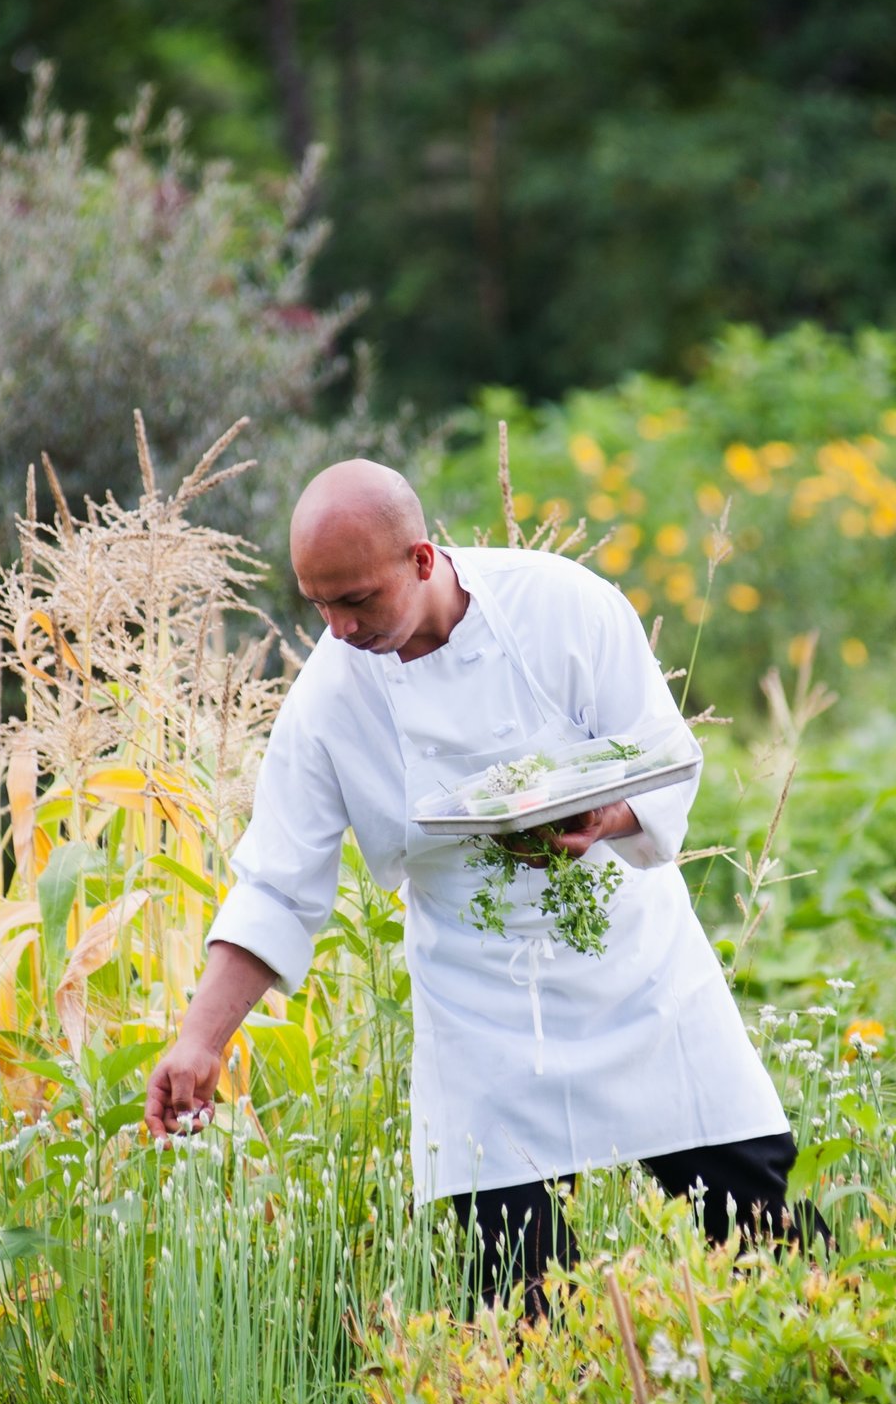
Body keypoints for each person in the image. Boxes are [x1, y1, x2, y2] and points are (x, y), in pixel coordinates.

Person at [143, 458, 803, 1311]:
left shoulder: (565, 606)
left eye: (357, 601)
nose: (338, 630)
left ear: (422, 560)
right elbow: (277, 884)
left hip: (635, 976)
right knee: (519, 1289)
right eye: (319, 605)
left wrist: (605, 818)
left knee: (756, 1230)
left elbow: (664, 754)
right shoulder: (327, 702)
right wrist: (201, 1041)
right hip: (483, 1017)